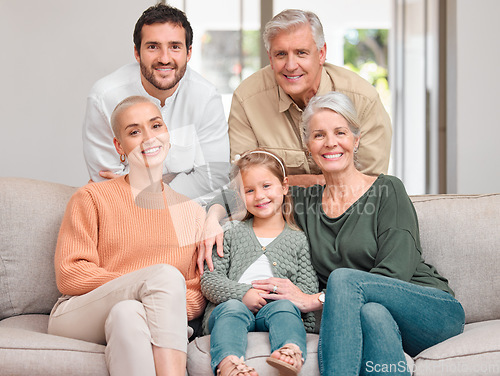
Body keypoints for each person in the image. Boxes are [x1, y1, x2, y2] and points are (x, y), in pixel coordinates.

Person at [203, 92, 464, 376]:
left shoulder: (388, 190)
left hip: (429, 308)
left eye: (340, 132)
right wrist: (212, 219)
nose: (330, 142)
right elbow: (240, 193)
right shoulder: (302, 202)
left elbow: (396, 271)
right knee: (371, 314)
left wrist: (313, 299)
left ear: (356, 139)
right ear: (308, 147)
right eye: (318, 135)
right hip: (373, 315)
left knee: (344, 280)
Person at [48, 96, 206, 376]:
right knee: (165, 276)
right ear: (119, 147)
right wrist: (146, 287)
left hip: (142, 314)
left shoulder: (191, 213)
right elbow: (70, 274)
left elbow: (195, 291)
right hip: (78, 313)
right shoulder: (92, 197)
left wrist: (152, 303)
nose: (148, 138)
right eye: (134, 131)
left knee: (127, 314)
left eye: (156, 126)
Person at [83, 3, 229, 205]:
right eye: (153, 47)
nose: (164, 58)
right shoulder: (104, 98)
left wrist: (150, 192)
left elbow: (216, 178)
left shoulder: (205, 96)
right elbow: (107, 184)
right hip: (126, 216)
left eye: (175, 47)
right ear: (137, 52)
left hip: (187, 216)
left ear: (188, 52)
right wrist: (183, 181)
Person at [228, 9, 392, 187]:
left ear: (321, 54)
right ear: (270, 58)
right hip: (277, 213)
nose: (290, 66)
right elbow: (244, 183)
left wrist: (281, 182)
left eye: (301, 53)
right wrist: (317, 182)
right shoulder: (247, 99)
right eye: (281, 54)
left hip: (351, 212)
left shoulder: (363, 99)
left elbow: (371, 184)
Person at [201, 150, 318, 376]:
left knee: (284, 307)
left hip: (275, 309)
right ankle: (228, 363)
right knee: (232, 308)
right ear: (240, 195)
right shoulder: (230, 232)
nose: (259, 196)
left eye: (266, 186)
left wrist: (302, 319)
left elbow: (307, 290)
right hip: (231, 308)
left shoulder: (298, 239)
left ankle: (290, 351)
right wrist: (244, 294)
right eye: (249, 190)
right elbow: (210, 280)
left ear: (284, 186)